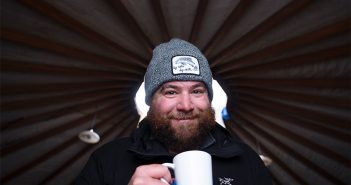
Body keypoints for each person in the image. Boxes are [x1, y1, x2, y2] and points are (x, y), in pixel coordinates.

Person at [75, 39, 272, 185]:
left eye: (197, 91)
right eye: (171, 92)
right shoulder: (107, 160)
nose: (186, 105)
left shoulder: (247, 160)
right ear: (151, 101)